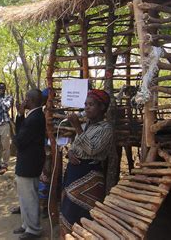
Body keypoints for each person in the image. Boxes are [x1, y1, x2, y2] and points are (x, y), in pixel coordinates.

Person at [60, 89, 115, 235]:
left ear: (102, 107)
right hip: (74, 173)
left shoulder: (106, 129)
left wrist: (77, 127)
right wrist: (70, 152)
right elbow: (75, 146)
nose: (86, 107)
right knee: (67, 211)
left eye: (91, 104)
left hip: (89, 176)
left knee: (84, 214)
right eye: (85, 104)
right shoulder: (86, 126)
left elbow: (92, 149)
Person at [13, 89, 46, 239]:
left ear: (29, 100)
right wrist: (20, 115)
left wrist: (14, 135)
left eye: (25, 98)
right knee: (24, 196)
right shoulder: (33, 115)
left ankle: (33, 229)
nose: (23, 101)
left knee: (30, 197)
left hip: (29, 162)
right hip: (28, 161)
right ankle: (27, 225)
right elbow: (22, 133)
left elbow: (19, 141)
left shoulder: (35, 118)